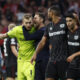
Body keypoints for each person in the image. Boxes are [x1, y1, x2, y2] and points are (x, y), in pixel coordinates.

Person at [31, 5, 68, 80]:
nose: (47, 15)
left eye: (48, 13)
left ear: (52, 13)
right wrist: (35, 53)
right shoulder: (48, 26)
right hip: (52, 60)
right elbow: (42, 42)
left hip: (64, 59)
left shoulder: (65, 23)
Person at [0, 14, 35, 80]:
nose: (28, 25)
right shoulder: (15, 32)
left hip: (27, 62)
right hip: (18, 62)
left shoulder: (34, 29)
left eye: (29, 23)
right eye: (26, 23)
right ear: (22, 23)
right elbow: (4, 37)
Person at [23, 12, 49, 80]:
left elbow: (27, 37)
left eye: (35, 18)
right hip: (39, 59)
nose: (33, 20)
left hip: (44, 60)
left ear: (41, 20)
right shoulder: (40, 30)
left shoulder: (43, 31)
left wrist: (24, 26)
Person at [66, 13, 80, 80]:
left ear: (75, 21)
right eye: (67, 21)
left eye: (70, 21)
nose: (68, 23)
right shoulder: (67, 33)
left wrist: (73, 55)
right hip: (72, 66)